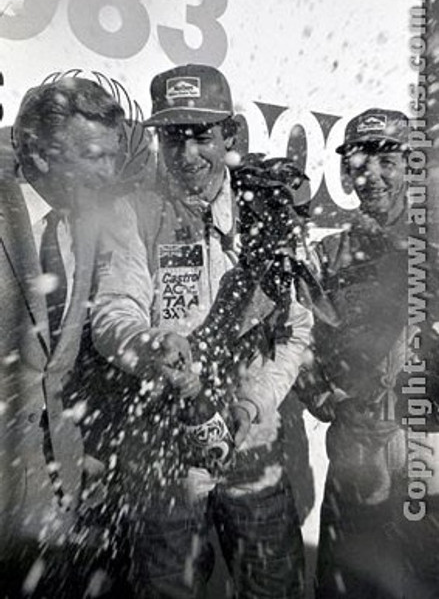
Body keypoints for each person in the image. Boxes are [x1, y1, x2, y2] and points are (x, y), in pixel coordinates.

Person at [91, 63, 313, 598]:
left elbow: (296, 330)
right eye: (173, 138)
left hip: (253, 446)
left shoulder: (268, 212)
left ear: (229, 134)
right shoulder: (134, 211)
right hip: (164, 451)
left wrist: (252, 405)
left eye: (201, 136)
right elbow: (113, 310)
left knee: (272, 588)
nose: (187, 155)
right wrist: (148, 346)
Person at [296, 108, 439, 598]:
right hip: (357, 461)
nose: (371, 175)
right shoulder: (330, 254)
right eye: (359, 162)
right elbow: (298, 342)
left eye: (387, 161)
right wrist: (323, 396)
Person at [1, 76, 126, 598]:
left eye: (112, 156)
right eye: (93, 156)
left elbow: (60, 367)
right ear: (38, 152)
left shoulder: (90, 223)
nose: (108, 171)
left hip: (54, 497)